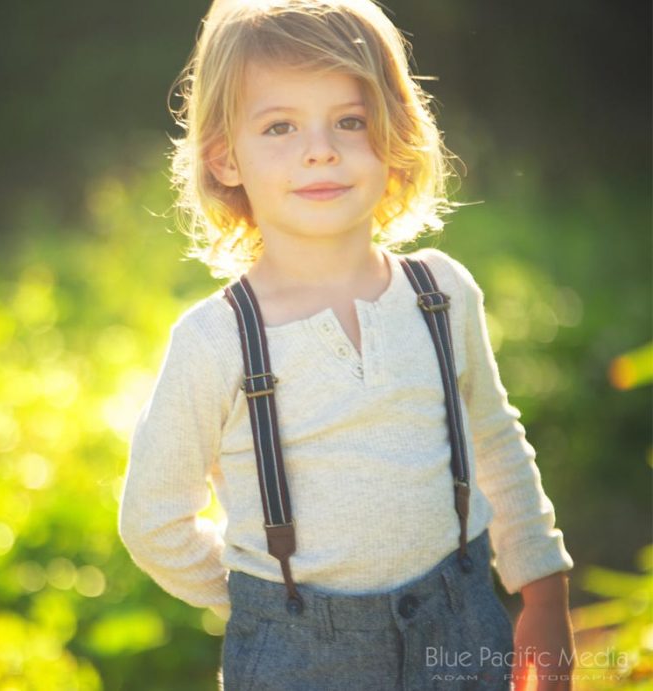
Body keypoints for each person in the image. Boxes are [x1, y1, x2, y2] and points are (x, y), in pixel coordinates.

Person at [117, 1, 577, 689]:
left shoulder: (442, 293)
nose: (320, 149)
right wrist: (263, 602)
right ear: (225, 157)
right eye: (279, 126)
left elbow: (494, 444)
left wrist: (544, 592)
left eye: (350, 121)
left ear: (394, 136)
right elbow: (154, 519)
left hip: (462, 632)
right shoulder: (217, 339)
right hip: (297, 658)